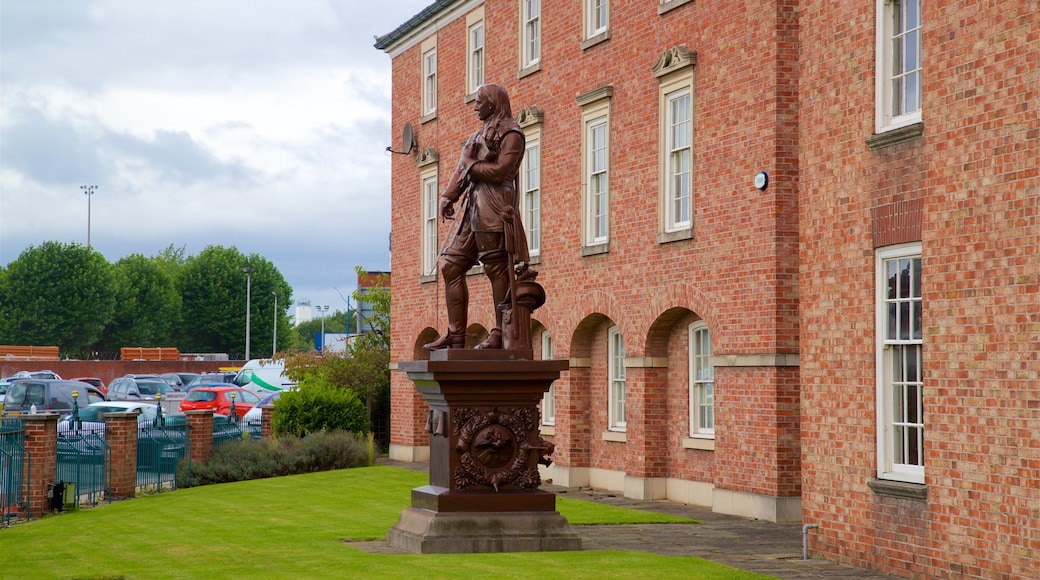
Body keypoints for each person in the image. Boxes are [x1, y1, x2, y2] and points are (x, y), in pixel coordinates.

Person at [424, 83, 532, 350]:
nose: (475, 107)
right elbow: (462, 168)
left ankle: (499, 333)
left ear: (492, 104)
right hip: (472, 210)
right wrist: (448, 196)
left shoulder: (512, 134)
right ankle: (455, 334)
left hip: (495, 209)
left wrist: (472, 164)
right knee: (451, 265)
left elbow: (501, 171)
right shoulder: (477, 136)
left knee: (496, 271)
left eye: (479, 102)